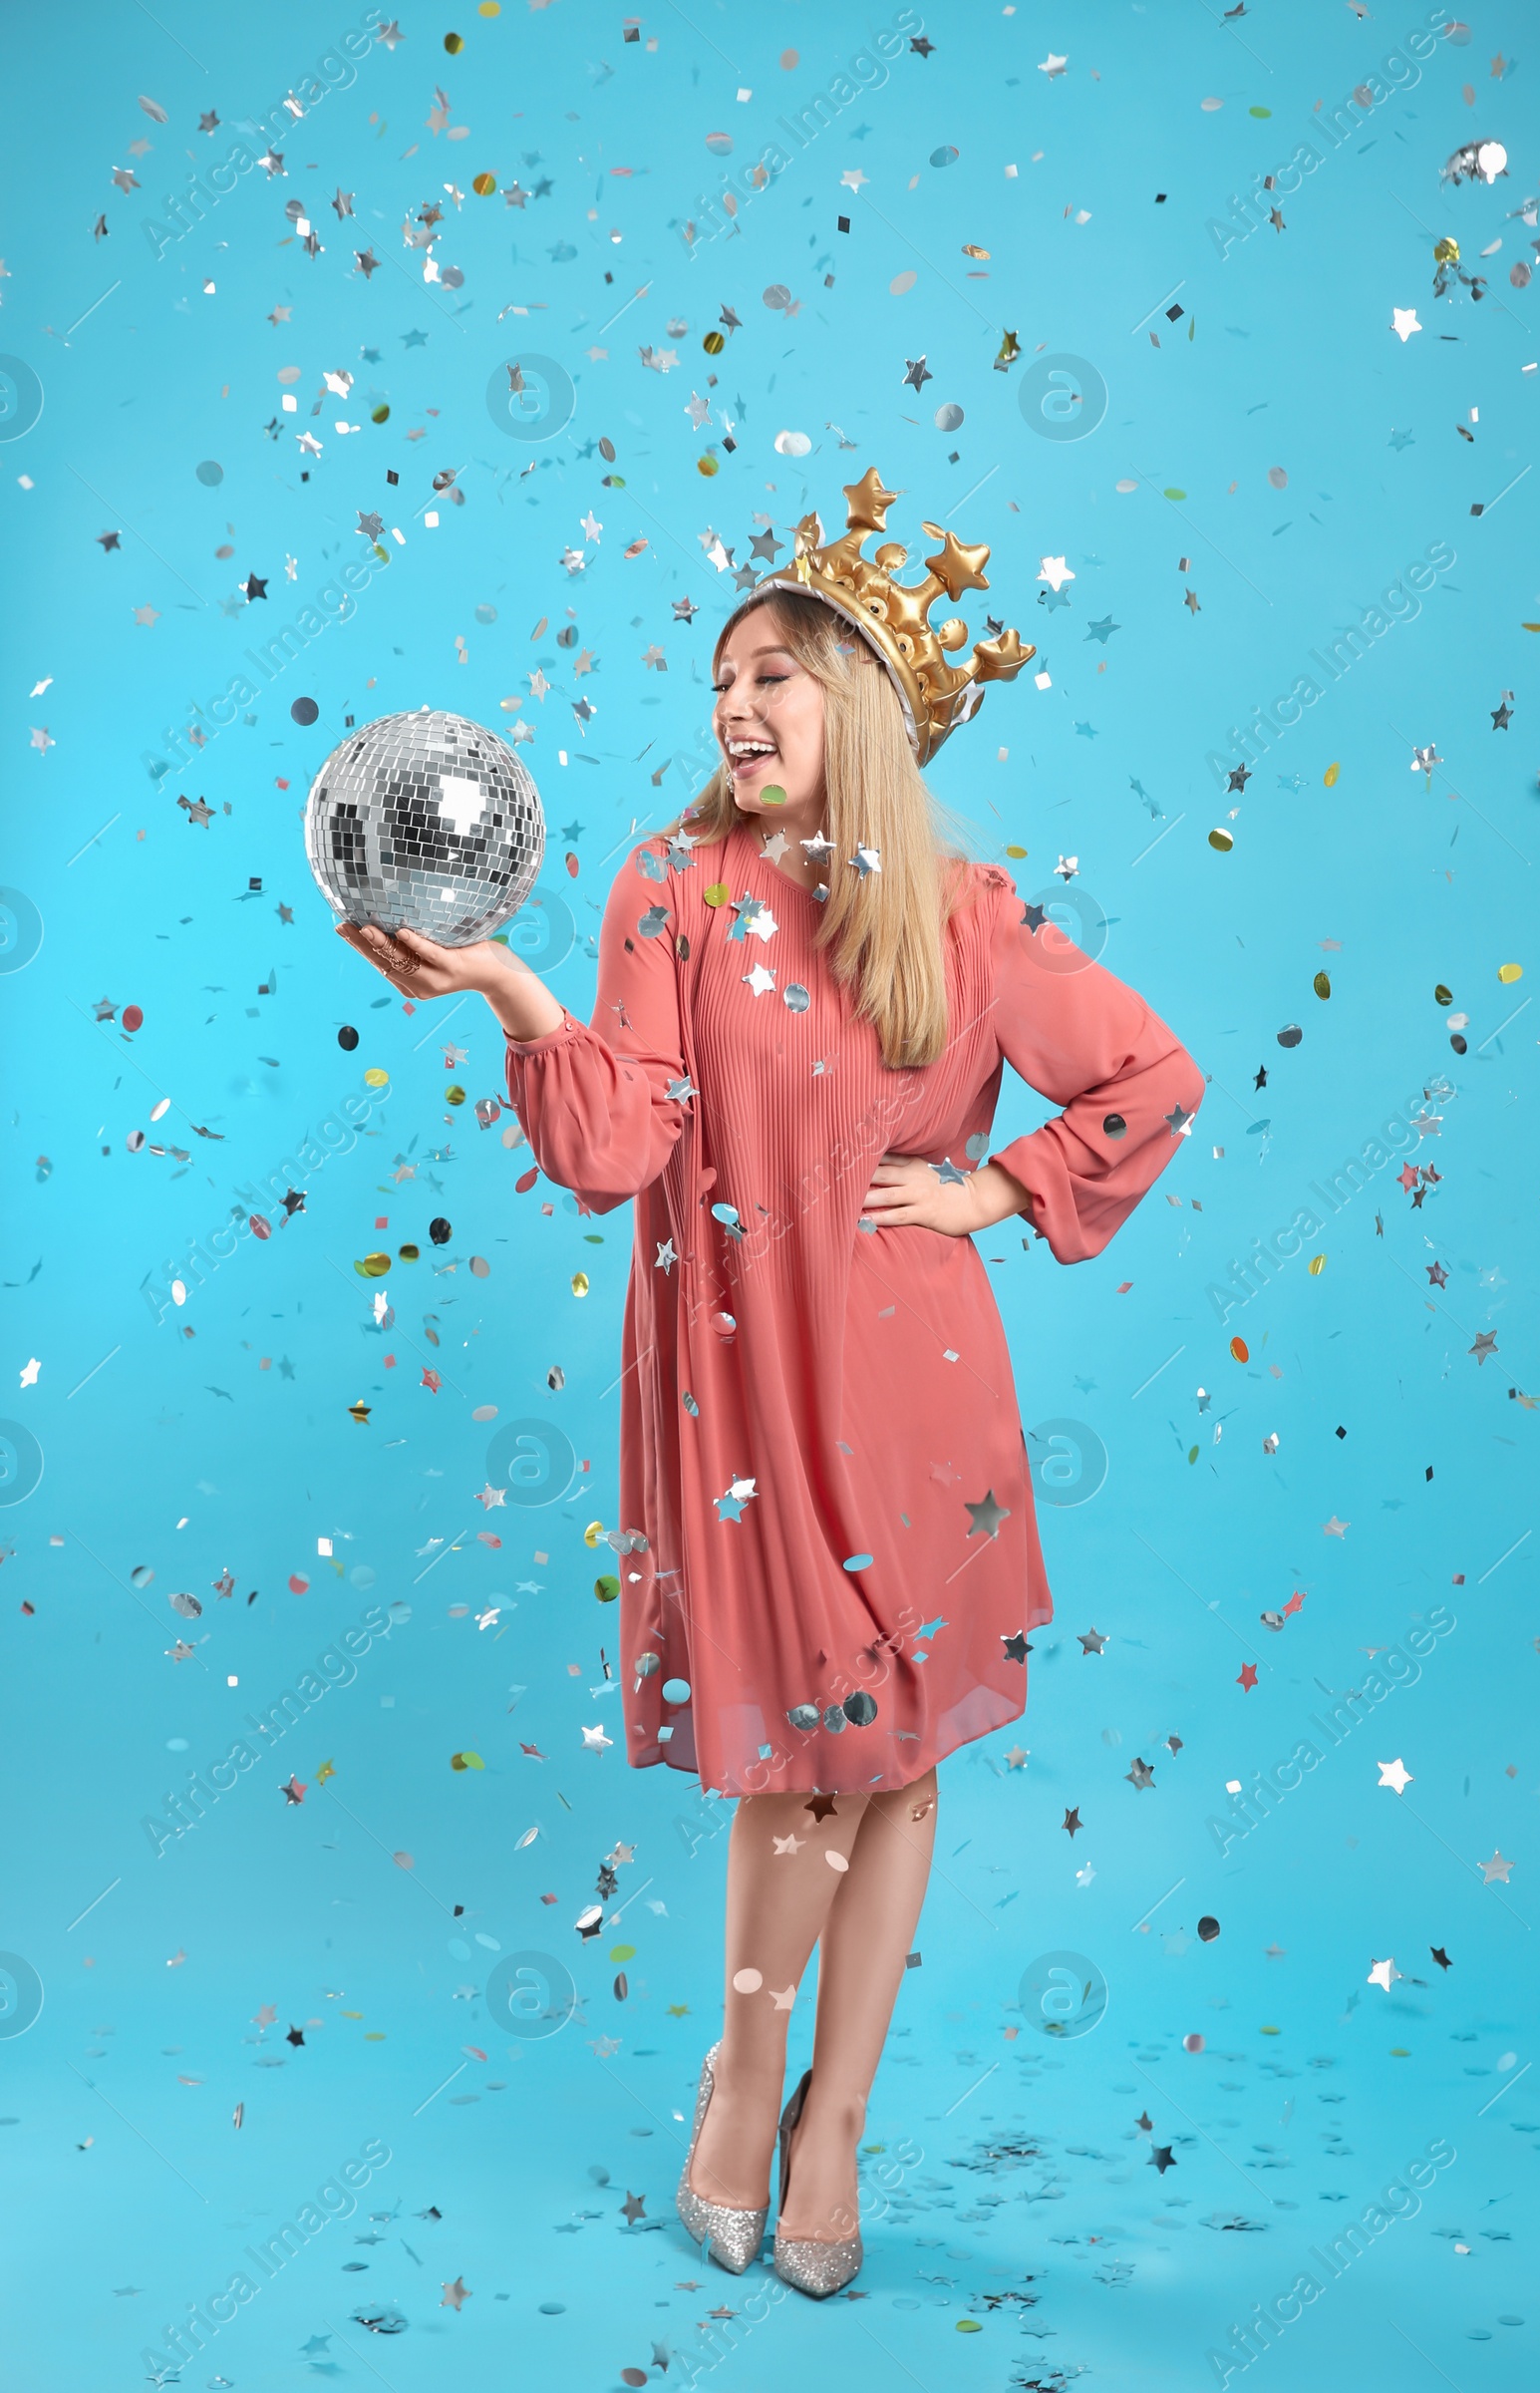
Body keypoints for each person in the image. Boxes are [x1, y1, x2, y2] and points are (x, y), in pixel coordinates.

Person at [336, 471, 1203, 2297]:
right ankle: (746, 2078)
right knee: (818, 1758)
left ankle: (826, 2122)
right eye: (725, 675)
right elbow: (619, 1144)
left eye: (779, 678)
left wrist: (997, 1185)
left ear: (865, 713)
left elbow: (1146, 1075)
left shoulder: (963, 913)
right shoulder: (666, 886)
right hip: (744, 1397)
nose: (735, 705)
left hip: (921, 1388)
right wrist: (505, 986)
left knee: (896, 1769)